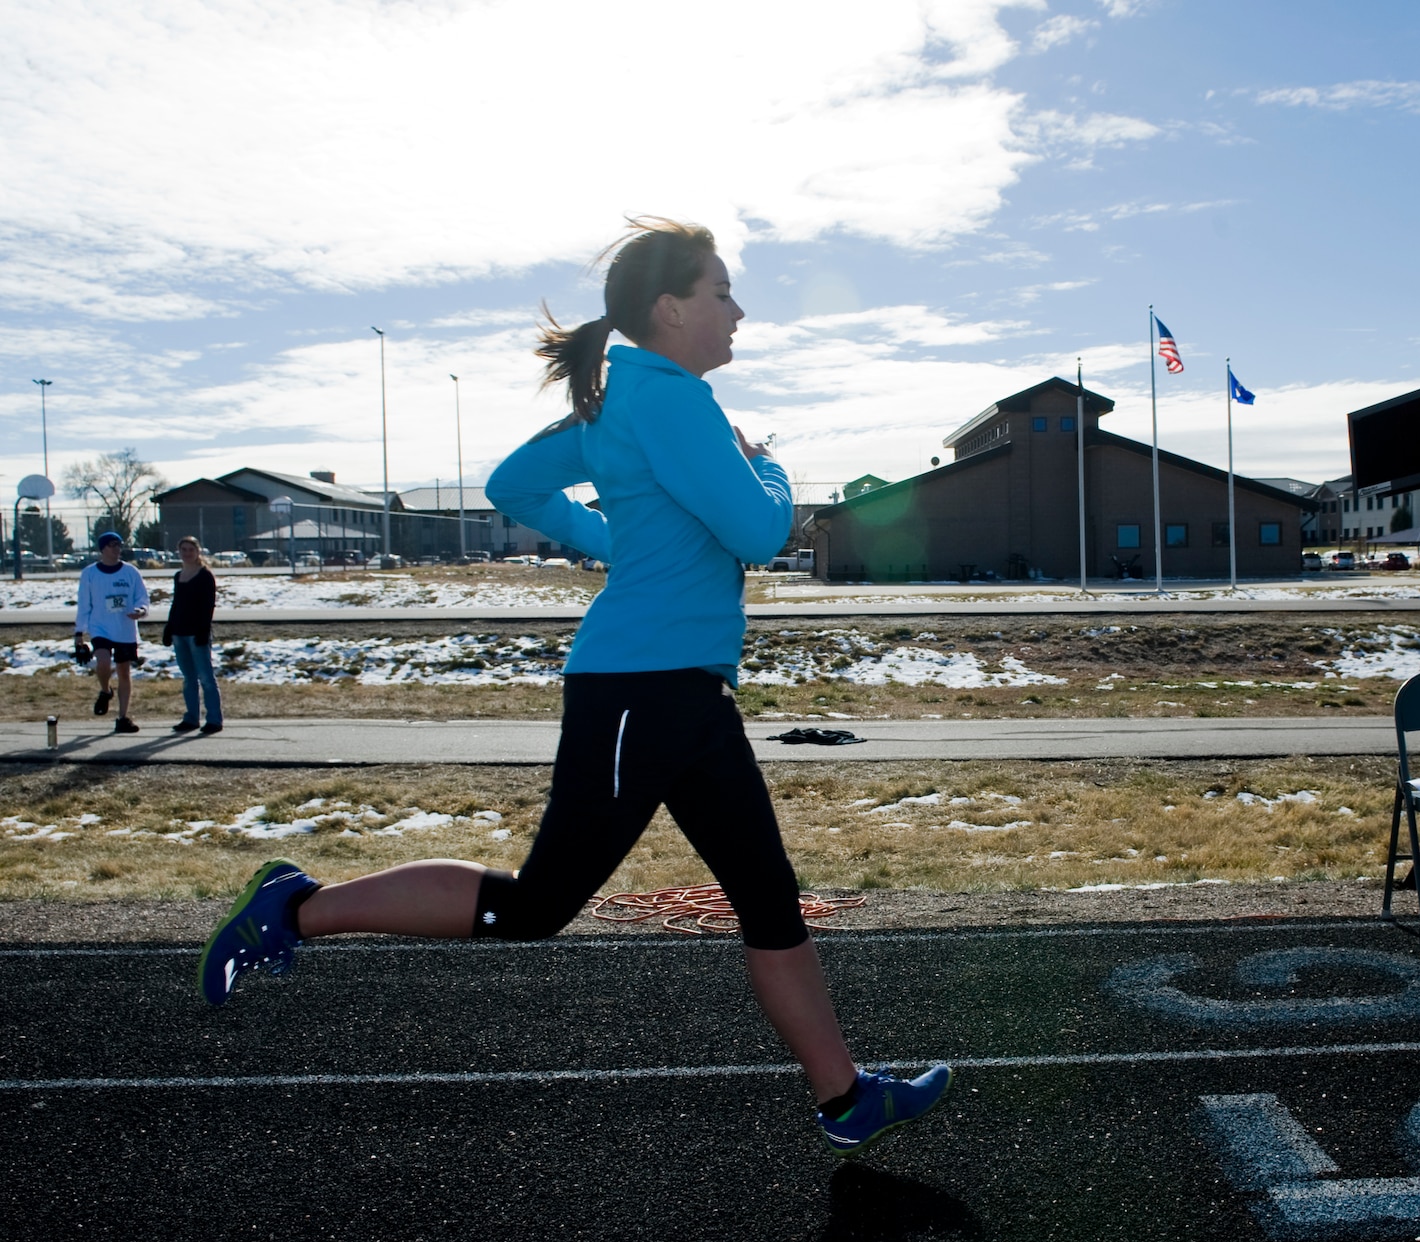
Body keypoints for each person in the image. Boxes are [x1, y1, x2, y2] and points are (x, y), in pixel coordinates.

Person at [196, 219, 950, 1157]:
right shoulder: (672, 399)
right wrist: (768, 462)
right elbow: (762, 533)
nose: (739, 310)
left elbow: (514, 481)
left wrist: (614, 543)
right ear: (671, 309)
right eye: (723, 292)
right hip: (644, 691)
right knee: (538, 904)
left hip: (680, 691)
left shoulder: (619, 395)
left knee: (767, 893)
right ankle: (296, 903)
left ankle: (846, 1097)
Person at [74, 531, 149, 734]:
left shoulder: (130, 572)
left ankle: (123, 717)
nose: (116, 549)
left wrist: (141, 610)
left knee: (124, 671)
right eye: (112, 545)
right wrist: (79, 633)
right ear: (102, 549)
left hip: (124, 628)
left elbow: (142, 597)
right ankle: (106, 690)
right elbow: (84, 604)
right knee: (103, 662)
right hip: (100, 627)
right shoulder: (90, 574)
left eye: (119, 545)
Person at [163, 536, 222, 734]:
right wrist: (169, 627)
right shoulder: (179, 575)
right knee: (188, 678)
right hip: (180, 632)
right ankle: (191, 717)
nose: (187, 553)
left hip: (197, 634)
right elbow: (176, 603)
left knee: (206, 677)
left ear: (198, 552)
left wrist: (203, 631)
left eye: (191, 549)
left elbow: (208, 606)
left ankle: (214, 719)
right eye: (183, 550)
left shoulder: (205, 576)